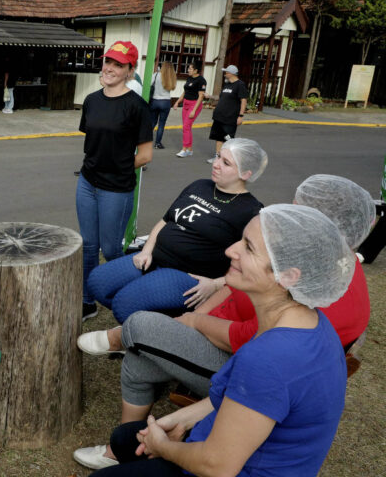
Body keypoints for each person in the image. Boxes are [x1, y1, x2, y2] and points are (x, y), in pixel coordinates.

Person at [75, 204, 352, 476]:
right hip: (229, 448)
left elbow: (216, 466)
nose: (230, 250)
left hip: (228, 466)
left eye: (248, 247)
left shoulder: (268, 358)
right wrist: (178, 420)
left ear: (289, 276)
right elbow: (243, 401)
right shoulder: (310, 324)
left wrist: (162, 447)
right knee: (126, 438)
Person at [78, 174, 373, 412]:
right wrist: (197, 313)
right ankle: (126, 441)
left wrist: (193, 323)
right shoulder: (319, 264)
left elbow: (250, 341)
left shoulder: (314, 291)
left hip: (237, 364)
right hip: (221, 332)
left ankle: (119, 340)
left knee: (141, 325)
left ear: (319, 226)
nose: (286, 215)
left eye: (294, 211)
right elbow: (236, 287)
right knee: (143, 341)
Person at [86, 138, 266, 323]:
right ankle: (154, 322)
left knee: (124, 304)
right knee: (98, 283)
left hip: (187, 273)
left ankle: (147, 334)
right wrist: (146, 251)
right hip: (154, 258)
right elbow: (165, 221)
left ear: (246, 173)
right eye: (218, 157)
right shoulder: (200, 185)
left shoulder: (250, 211)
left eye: (226, 163)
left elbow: (256, 265)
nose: (216, 164)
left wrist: (215, 284)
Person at [77, 40, 154, 321]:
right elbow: (94, 142)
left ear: (129, 71)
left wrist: (117, 166)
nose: (109, 68)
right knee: (87, 245)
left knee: (110, 248)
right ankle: (87, 302)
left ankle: (133, 294)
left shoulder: (137, 107)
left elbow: (145, 156)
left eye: (118, 64)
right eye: (107, 61)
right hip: (87, 183)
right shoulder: (91, 100)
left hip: (117, 188)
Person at [206, 65, 248, 163]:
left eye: (226, 72)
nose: (225, 74)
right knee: (218, 137)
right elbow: (221, 98)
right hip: (219, 116)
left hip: (230, 117)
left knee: (228, 139)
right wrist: (210, 96)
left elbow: (243, 100)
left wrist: (241, 116)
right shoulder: (227, 85)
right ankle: (218, 157)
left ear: (231, 73)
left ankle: (231, 158)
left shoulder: (240, 85)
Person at [171, 60, 206, 158]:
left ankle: (184, 149)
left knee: (186, 127)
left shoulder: (201, 80)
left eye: (190, 68)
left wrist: (194, 110)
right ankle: (190, 149)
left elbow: (201, 96)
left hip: (194, 105)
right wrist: (178, 102)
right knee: (187, 127)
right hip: (186, 103)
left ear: (196, 70)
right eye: (189, 68)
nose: (188, 70)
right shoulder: (189, 78)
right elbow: (185, 92)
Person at [149, 62, 177, 149]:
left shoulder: (156, 75)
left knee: (152, 122)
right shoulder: (171, 76)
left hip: (155, 100)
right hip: (165, 101)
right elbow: (172, 88)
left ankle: (144, 140)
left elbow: (149, 84)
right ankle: (157, 143)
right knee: (161, 124)